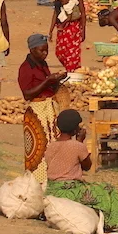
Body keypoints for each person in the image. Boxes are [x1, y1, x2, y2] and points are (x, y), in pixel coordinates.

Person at [44, 109, 118, 231]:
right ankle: (114, 222)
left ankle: (115, 207)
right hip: (70, 190)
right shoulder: (77, 146)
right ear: (75, 130)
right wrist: (80, 141)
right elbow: (87, 165)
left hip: (52, 188)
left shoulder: (51, 146)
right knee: (107, 189)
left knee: (95, 188)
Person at [19, 34, 67, 185]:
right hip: (37, 112)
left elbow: (47, 85)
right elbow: (27, 94)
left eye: (46, 50)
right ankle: (36, 185)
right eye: (41, 51)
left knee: (52, 147)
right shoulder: (25, 68)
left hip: (49, 110)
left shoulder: (42, 64)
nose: (45, 53)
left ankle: (52, 181)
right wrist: (47, 81)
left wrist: (56, 80)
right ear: (32, 50)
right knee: (38, 151)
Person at [49, 0, 86, 72]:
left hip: (73, 28)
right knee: (60, 52)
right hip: (62, 28)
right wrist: (51, 30)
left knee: (72, 52)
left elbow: (83, 13)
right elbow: (55, 14)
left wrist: (83, 30)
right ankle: (70, 69)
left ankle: (72, 72)